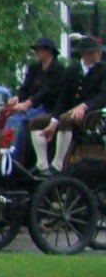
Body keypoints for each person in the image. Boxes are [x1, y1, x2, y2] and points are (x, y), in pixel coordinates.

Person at [30, 36, 105, 174]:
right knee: (36, 123)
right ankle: (42, 164)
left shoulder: (103, 70)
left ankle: (58, 164)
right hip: (68, 113)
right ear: (85, 54)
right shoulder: (72, 70)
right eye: (95, 52)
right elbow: (62, 97)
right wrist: (53, 121)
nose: (99, 55)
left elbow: (103, 96)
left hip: (90, 115)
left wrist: (84, 106)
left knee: (65, 118)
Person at [3, 36, 64, 166]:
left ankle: (17, 161)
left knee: (22, 122)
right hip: (32, 107)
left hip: (48, 108)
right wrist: (17, 98)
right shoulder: (34, 68)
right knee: (10, 120)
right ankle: (4, 158)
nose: (37, 53)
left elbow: (47, 92)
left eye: (40, 50)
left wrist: (28, 103)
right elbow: (25, 88)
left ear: (49, 51)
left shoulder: (58, 70)